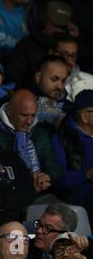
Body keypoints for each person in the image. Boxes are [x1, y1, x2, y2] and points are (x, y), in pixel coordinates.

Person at [0, 89, 62, 196]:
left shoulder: (40, 133)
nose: (29, 121)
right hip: (8, 196)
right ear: (9, 111)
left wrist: (45, 177)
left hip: (41, 195)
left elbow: (54, 168)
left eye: (33, 115)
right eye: (24, 115)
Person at [6, 1, 79, 88]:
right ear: (45, 20)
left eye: (63, 27)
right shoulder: (27, 45)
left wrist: (76, 38)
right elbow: (13, 78)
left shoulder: (71, 43)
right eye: (56, 25)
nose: (59, 30)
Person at [52, 90, 93, 224]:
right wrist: (86, 174)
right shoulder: (62, 139)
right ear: (85, 116)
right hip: (76, 200)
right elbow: (58, 179)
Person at [49, 34, 93, 102]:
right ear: (51, 52)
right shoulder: (39, 79)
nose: (68, 60)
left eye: (73, 55)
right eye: (64, 54)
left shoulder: (90, 82)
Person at [31, 55, 71, 128]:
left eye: (63, 81)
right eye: (54, 79)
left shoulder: (70, 105)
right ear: (38, 77)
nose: (60, 86)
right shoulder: (25, 102)